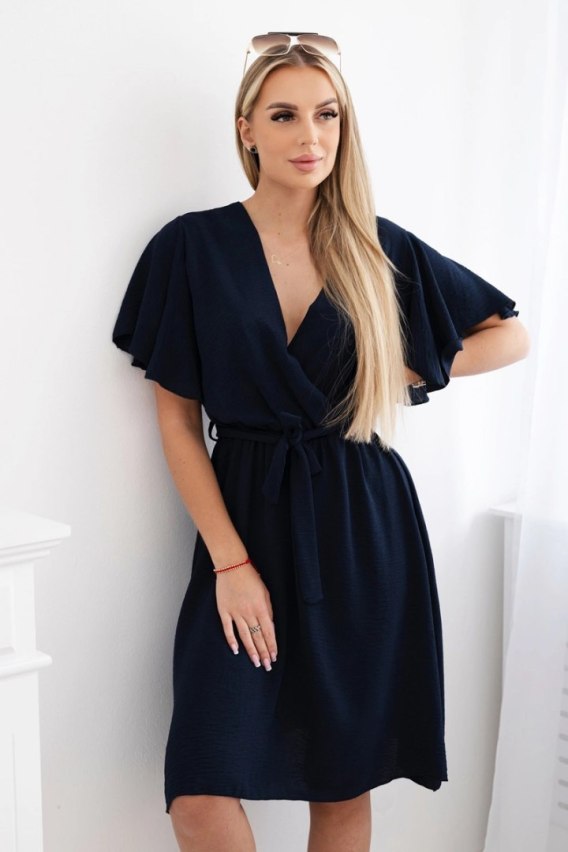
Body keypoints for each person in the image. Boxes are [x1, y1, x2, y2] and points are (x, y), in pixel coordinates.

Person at [111, 31, 530, 852]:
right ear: (246, 129)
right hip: (248, 516)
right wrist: (231, 565)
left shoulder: (376, 246)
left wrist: (398, 373)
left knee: (341, 783)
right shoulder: (191, 248)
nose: (311, 136)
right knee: (199, 790)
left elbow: (508, 334)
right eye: (285, 115)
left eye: (328, 115)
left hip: (362, 527)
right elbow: (177, 420)